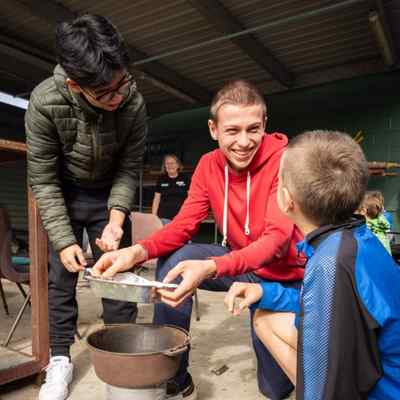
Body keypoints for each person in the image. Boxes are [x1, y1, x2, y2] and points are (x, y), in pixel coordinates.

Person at [93, 80, 306, 400]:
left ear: (264, 125)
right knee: (175, 259)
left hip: (286, 278)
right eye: (233, 130)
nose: (244, 142)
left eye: (253, 129)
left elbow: (275, 239)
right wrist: (135, 253)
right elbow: (181, 226)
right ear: (213, 129)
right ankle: (174, 378)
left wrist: (211, 267)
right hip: (243, 265)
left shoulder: (284, 161)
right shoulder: (208, 166)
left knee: (274, 388)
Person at [225, 131, 400, 400]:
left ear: (286, 199)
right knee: (265, 315)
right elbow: (329, 304)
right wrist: (266, 293)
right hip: (378, 364)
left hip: (382, 390)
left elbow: (327, 371)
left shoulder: (330, 263)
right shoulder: (358, 238)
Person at [25, 14, 147, 400]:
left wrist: (116, 221)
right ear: (77, 86)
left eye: (121, 83)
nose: (118, 97)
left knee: (118, 280)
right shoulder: (45, 102)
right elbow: (43, 180)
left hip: (110, 192)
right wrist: (63, 240)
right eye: (106, 93)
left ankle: (123, 357)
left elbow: (130, 167)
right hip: (64, 193)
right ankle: (59, 359)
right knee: (61, 280)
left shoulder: (132, 100)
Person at [152, 154, 190, 224]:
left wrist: (189, 213)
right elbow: (156, 199)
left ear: (178, 165)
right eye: (167, 163)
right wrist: (153, 216)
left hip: (181, 215)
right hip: (164, 216)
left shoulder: (185, 179)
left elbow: (191, 197)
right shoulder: (161, 179)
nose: (170, 165)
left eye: (172, 163)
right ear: (164, 166)